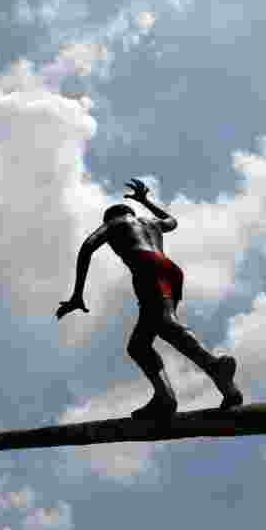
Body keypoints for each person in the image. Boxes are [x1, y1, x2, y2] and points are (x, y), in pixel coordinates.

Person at [56, 178, 244, 419]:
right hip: (170, 272)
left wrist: (77, 294)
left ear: (110, 217)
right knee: (139, 345)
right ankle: (166, 396)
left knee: (165, 324)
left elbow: (87, 246)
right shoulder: (150, 221)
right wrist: (147, 201)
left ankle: (215, 366)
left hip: (147, 269)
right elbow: (172, 222)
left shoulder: (114, 222)